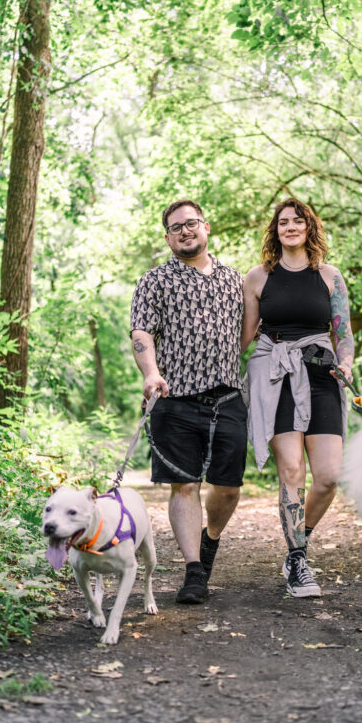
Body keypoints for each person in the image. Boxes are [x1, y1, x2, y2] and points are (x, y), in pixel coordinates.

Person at [130, 199, 247, 604]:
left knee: (228, 488)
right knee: (184, 486)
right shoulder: (154, 281)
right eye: (176, 227)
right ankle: (194, 571)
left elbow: (251, 332)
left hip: (228, 397)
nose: (185, 230)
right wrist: (150, 373)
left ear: (206, 227)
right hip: (174, 399)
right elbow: (141, 332)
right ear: (167, 238)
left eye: (191, 223)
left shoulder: (235, 280)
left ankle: (209, 541)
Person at [242, 198, 354, 598]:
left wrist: (347, 364)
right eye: (283, 222)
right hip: (275, 374)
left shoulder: (329, 276)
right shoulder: (258, 277)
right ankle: (299, 560)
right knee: (292, 470)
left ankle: (297, 543)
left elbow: (344, 333)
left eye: (298, 221)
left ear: (309, 228)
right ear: (275, 230)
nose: (290, 227)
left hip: (322, 373)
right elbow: (245, 336)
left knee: (327, 478)